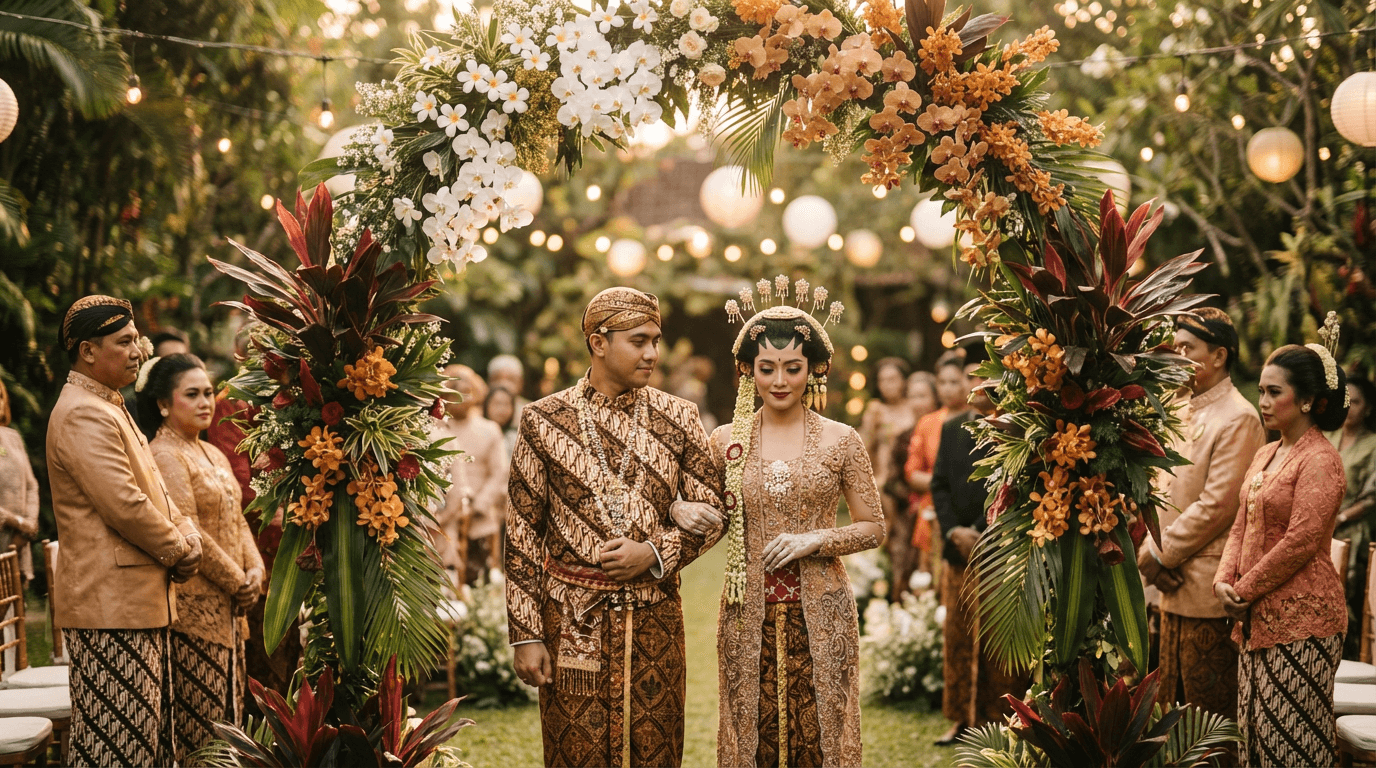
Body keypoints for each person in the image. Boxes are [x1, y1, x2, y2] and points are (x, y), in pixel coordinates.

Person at [504, 287, 723, 768]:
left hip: (655, 618)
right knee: (574, 753)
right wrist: (526, 633)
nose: (652, 353)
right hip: (572, 621)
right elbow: (522, 531)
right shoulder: (544, 420)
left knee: (656, 750)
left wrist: (655, 552)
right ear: (598, 342)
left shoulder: (679, 416)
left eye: (656, 341)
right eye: (639, 340)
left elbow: (714, 511)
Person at [673, 289, 885, 767]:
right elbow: (711, 517)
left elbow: (874, 527)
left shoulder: (841, 439)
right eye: (767, 367)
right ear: (749, 371)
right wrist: (679, 510)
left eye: (793, 367)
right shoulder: (727, 442)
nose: (780, 379)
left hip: (823, 611)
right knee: (752, 729)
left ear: (813, 369)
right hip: (745, 613)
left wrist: (816, 539)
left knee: (821, 731)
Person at [47, 295, 203, 767]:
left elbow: (154, 490)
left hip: (133, 604)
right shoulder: (82, 412)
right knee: (115, 749)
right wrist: (181, 549)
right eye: (125, 341)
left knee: (147, 745)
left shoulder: (108, 405)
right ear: (88, 351)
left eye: (137, 339)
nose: (138, 351)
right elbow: (126, 506)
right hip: (108, 607)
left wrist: (186, 531)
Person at [1215, 318, 1349, 768]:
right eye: (1262, 391)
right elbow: (1240, 523)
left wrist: (1243, 590)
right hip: (1257, 619)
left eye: (1275, 392)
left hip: (1304, 623)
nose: (1264, 401)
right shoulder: (1266, 453)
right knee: (1254, 743)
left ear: (1308, 400)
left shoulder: (1321, 460)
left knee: (1290, 750)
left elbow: (1300, 542)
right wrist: (1223, 582)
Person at [1137, 309, 1265, 721]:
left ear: (1219, 356)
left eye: (1186, 348)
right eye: (1175, 347)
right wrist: (1150, 554)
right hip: (1169, 584)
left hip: (1206, 589)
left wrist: (1158, 554)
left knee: (1205, 720)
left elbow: (1219, 506)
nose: (1176, 356)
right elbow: (1157, 490)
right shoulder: (1179, 408)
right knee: (1168, 714)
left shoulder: (1239, 417)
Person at [140, 354, 264, 761]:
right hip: (195, 613)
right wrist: (238, 582)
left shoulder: (212, 452)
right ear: (163, 403)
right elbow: (190, 530)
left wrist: (255, 569)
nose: (205, 402)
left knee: (231, 718)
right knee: (202, 725)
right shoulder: (164, 454)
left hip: (231, 609)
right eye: (191, 395)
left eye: (208, 393)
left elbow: (238, 519)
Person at [932, 343, 1026, 746]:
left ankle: (1005, 718)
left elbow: (1017, 490)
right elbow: (939, 485)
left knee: (1000, 639)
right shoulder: (953, 428)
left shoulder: (1020, 429)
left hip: (1002, 552)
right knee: (957, 636)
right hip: (958, 552)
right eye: (972, 375)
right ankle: (960, 719)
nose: (978, 383)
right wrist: (954, 531)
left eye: (985, 374)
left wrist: (980, 532)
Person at [437, 364, 509, 583]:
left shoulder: (489, 430)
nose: (462, 397)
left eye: (467, 391)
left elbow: (499, 473)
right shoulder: (437, 430)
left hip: (479, 519)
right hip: (444, 518)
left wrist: (480, 503)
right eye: (455, 390)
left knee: (478, 581)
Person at [904, 351, 970, 591]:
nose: (948, 388)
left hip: (969, 514)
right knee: (930, 581)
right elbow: (912, 473)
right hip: (932, 512)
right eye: (942, 382)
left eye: (954, 382)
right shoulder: (928, 423)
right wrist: (946, 482)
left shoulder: (978, 418)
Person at [859, 358, 914, 601]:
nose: (887, 385)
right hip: (883, 484)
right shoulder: (875, 410)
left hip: (910, 480)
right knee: (890, 540)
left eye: (893, 379)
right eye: (882, 380)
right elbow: (864, 447)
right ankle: (884, 593)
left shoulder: (914, 406)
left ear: (904, 381)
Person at [1328, 376, 1376, 657]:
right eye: (1346, 400)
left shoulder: (1372, 444)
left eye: (1355, 402)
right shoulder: (1327, 435)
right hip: (1320, 528)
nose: (1349, 407)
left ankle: (1350, 659)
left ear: (1368, 408)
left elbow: (1372, 496)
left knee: (1349, 602)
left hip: (1352, 532)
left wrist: (1341, 518)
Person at [885, 371, 938, 599]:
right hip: (908, 515)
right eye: (913, 397)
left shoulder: (947, 429)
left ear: (935, 398)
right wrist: (911, 496)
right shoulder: (903, 437)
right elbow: (891, 482)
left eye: (923, 396)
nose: (918, 403)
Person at [0, 378, 40, 583]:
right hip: (5, 536)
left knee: (16, 609)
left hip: (20, 540)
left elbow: (32, 485)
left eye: (0, 397)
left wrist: (29, 523)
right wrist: (16, 521)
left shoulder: (12, 437)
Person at [488, 353, 531, 424]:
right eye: (497, 379)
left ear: (520, 383)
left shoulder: (532, 413)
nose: (503, 384)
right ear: (489, 381)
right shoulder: (477, 413)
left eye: (511, 379)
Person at [485, 384, 520, 456]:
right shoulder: (478, 433)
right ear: (486, 405)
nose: (502, 409)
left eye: (506, 404)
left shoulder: (516, 438)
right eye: (497, 403)